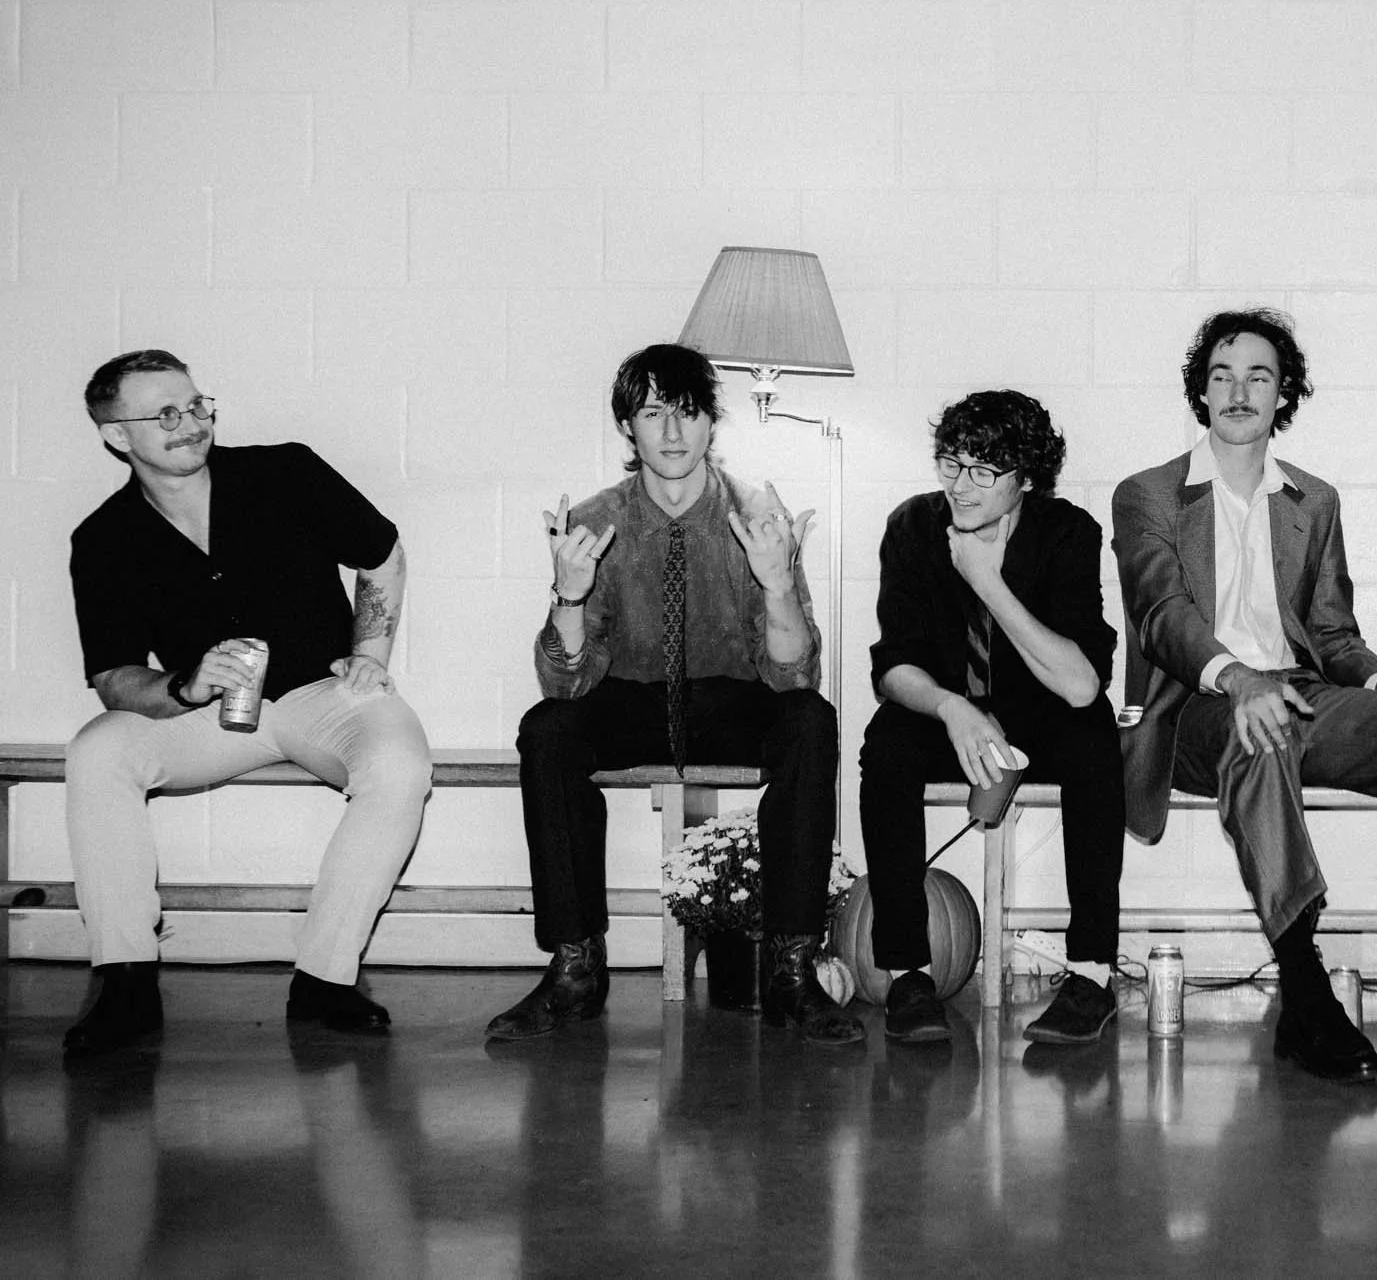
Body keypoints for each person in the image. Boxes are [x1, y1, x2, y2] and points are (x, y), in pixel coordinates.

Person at [1112, 308, 1377, 1084]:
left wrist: (1371, 678)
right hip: (1200, 704)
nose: (1238, 390)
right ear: (1201, 390)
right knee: (1256, 730)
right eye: (1221, 374)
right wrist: (1238, 678)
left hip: (1301, 694)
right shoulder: (1147, 494)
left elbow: (1330, 630)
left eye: (1258, 374)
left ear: (1281, 391)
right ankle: (1302, 986)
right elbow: (1162, 618)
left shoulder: (1311, 499)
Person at [62, 350, 433, 1056]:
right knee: (97, 747)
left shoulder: (283, 471)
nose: (190, 424)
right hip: (209, 714)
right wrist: (184, 684)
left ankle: (324, 978)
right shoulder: (102, 537)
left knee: (400, 763)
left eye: (198, 405)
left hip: (324, 693)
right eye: (164, 413)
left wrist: (370, 657)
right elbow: (114, 679)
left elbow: (381, 553)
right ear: (117, 435)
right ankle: (126, 982)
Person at [486, 344, 854, 1044]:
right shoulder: (595, 518)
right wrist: (568, 595)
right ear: (628, 427)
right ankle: (575, 968)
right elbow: (567, 683)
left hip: (730, 699)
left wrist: (778, 582)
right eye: (654, 413)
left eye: (688, 412)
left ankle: (792, 969)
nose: (674, 432)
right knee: (547, 729)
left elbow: (791, 677)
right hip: (632, 698)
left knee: (811, 718)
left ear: (713, 423)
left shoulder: (754, 515)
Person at [862, 390, 1124, 1046]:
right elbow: (894, 666)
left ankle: (1092, 972)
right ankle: (908, 973)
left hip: (1039, 714)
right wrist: (952, 708)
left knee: (1094, 741)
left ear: (1026, 478)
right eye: (951, 463)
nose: (961, 484)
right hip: (947, 713)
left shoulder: (1068, 531)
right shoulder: (913, 527)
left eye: (984, 470)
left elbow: (1082, 684)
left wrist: (987, 581)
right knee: (886, 744)